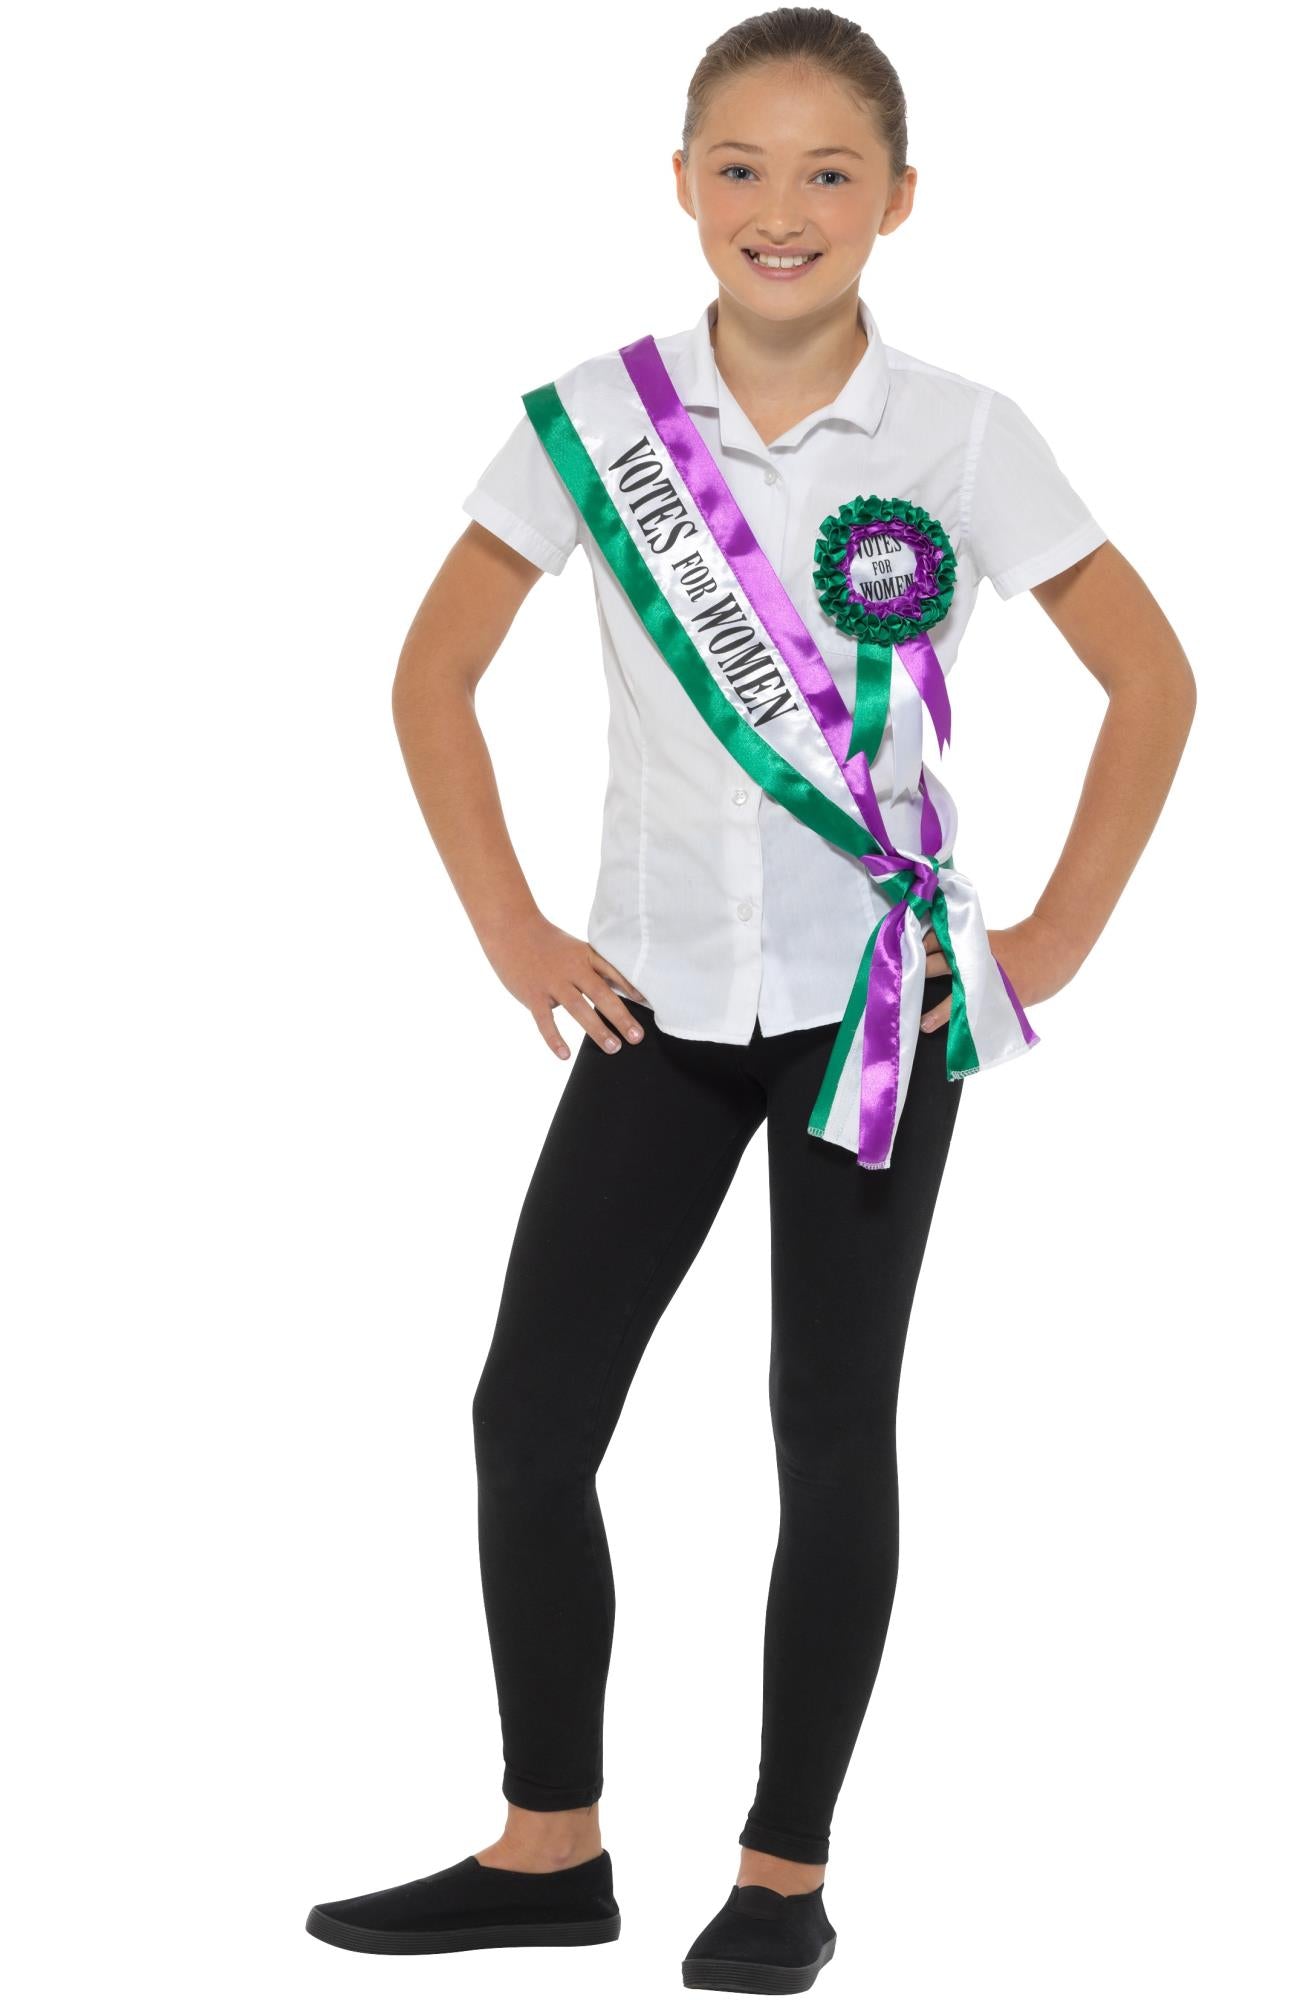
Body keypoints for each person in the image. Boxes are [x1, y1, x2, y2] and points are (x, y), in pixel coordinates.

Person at [304, 6, 1196, 1989]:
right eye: (741, 167)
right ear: (682, 182)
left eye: (827, 173)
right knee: (530, 1417)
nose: (780, 209)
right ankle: (549, 1848)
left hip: (878, 1010)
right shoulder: (590, 418)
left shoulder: (966, 431)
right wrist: (511, 929)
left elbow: (1154, 678)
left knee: (829, 1420)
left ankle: (784, 1874)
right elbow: (430, 674)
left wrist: (1048, 938)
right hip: (656, 1006)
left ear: (897, 199)